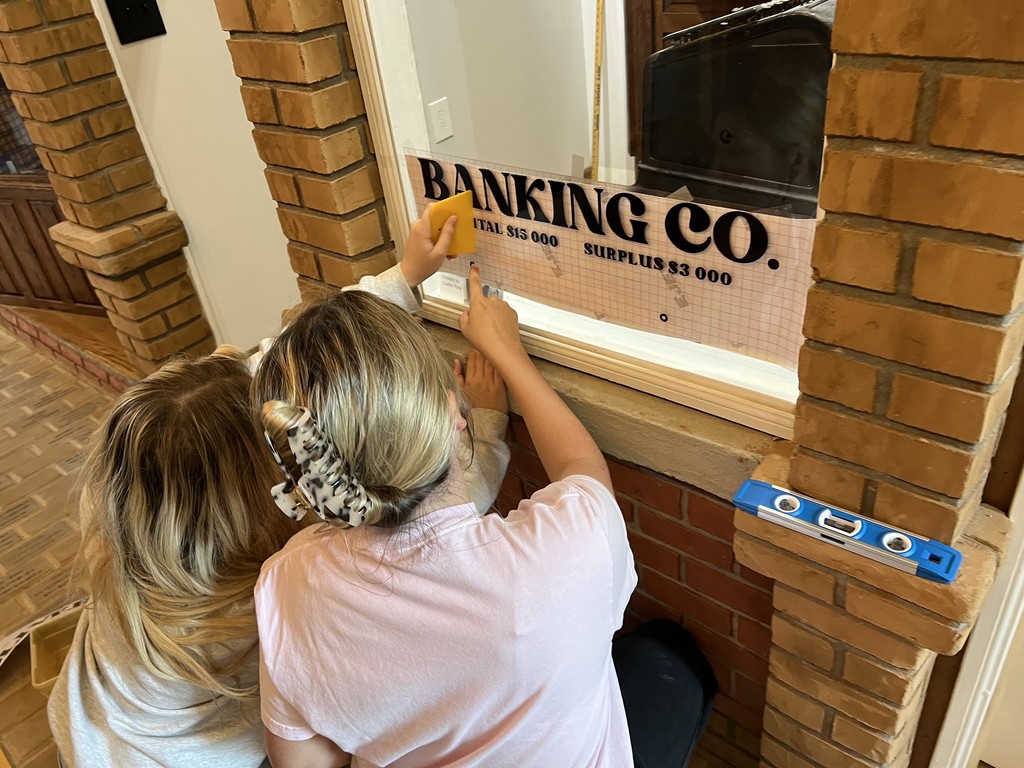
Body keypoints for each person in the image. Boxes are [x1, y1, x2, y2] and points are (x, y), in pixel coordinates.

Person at [47, 211, 511, 768]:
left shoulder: (133, 517)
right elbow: (421, 532)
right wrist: (486, 431)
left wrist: (404, 276)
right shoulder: (266, 592)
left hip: (85, 725)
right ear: (267, 494)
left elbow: (278, 353)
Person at [252, 265, 716, 768]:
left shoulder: (284, 586)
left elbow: (304, 763)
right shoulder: (564, 554)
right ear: (455, 413)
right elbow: (581, 467)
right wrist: (507, 353)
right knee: (673, 658)